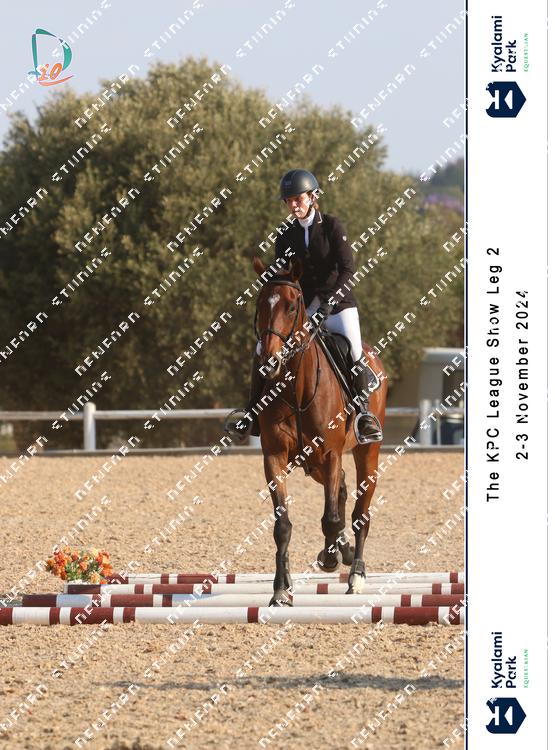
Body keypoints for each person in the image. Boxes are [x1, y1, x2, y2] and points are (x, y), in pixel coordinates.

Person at [225, 168, 382, 444]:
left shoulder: (332, 227)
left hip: (339, 306)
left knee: (355, 350)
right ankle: (251, 413)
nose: (294, 205)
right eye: (289, 201)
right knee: (263, 349)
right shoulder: (286, 234)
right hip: (303, 307)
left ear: (312, 197)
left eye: (298, 199)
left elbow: (348, 270)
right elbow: (282, 273)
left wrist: (329, 302)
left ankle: (364, 415)